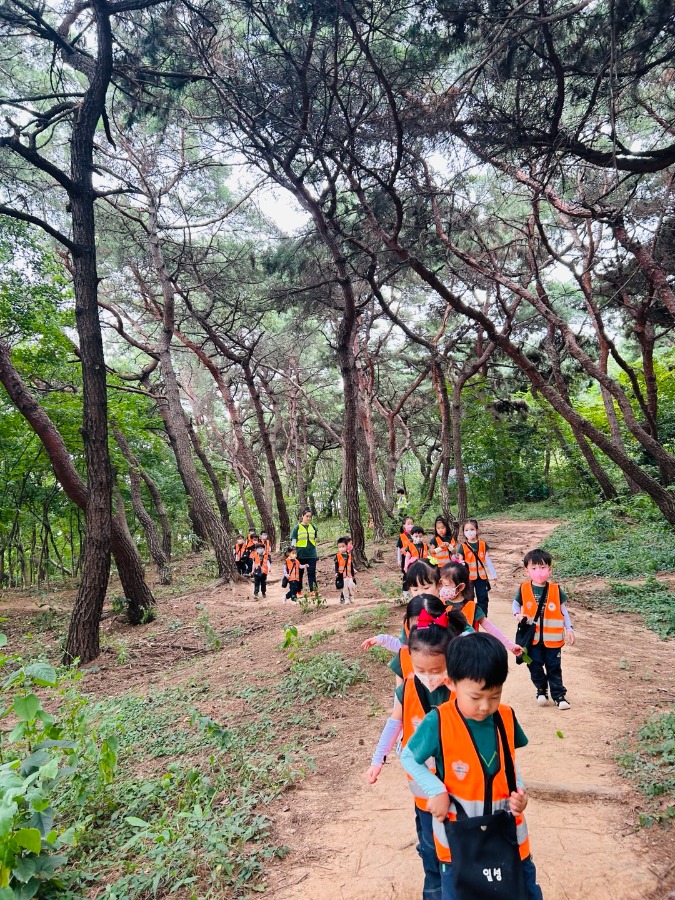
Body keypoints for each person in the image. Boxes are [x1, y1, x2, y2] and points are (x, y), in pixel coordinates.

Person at [401, 633, 543, 900]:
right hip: (459, 844)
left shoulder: (506, 717)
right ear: (451, 683)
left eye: (495, 695)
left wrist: (519, 792)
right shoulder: (439, 721)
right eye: (476, 697)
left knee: (524, 892)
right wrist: (436, 790)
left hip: (508, 837)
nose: (485, 706)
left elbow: (510, 762)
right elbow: (409, 757)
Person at [367, 598, 467, 900]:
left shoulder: (462, 689)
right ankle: (434, 892)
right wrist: (378, 759)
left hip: (459, 787)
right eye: (420, 668)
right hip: (424, 791)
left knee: (458, 849)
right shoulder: (408, 687)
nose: (429, 676)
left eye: (437, 669)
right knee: (428, 847)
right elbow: (395, 722)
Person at [513, 548, 575, 710]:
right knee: (534, 665)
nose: (538, 571)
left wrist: (569, 629)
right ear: (527, 570)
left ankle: (559, 696)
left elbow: (563, 611)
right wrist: (517, 615)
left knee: (554, 667)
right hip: (532, 639)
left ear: (549, 569)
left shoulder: (555, 589)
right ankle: (541, 690)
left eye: (542, 567)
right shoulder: (524, 588)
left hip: (553, 640)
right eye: (534, 568)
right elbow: (515, 604)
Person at [440, 561, 523, 657]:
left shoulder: (472, 607)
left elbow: (491, 629)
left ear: (461, 587)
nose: (443, 589)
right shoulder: (439, 604)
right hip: (445, 654)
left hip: (468, 655)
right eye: (442, 584)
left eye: (446, 585)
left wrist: (511, 646)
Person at [361, 562, 440, 661]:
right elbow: (405, 647)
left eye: (426, 588)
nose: (420, 593)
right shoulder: (411, 618)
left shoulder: (450, 614)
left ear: (439, 585)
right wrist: (383, 640)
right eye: (415, 589)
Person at [456, 519, 497, 616]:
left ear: (477, 530)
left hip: (481, 577)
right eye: (466, 530)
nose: (469, 532)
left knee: (483, 597)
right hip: (468, 578)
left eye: (472, 529)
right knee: (468, 598)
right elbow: (460, 563)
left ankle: (483, 616)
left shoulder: (482, 544)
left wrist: (494, 575)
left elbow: (488, 561)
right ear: (463, 533)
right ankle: (468, 616)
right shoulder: (463, 547)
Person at [290, 508, 318, 593]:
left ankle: (313, 591)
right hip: (300, 555)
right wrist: (293, 555)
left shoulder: (313, 527)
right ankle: (298, 591)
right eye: (307, 516)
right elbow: (293, 542)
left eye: (310, 516)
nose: (308, 518)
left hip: (312, 554)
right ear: (302, 516)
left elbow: (314, 541)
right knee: (300, 574)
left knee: (312, 573)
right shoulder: (297, 528)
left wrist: (316, 554)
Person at [335, 535, 356, 604]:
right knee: (344, 587)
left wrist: (353, 574)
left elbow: (351, 565)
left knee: (351, 585)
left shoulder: (349, 555)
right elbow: (336, 565)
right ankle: (346, 599)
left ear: (346, 546)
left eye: (343, 546)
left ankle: (351, 596)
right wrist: (336, 572)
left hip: (349, 574)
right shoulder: (337, 556)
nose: (341, 548)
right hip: (342, 575)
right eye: (339, 547)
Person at [397, 515, 415, 596]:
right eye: (408, 524)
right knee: (406, 574)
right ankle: (405, 591)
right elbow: (399, 548)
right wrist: (399, 560)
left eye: (411, 523)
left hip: (415, 558)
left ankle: (415, 591)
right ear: (404, 525)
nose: (410, 525)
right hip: (405, 558)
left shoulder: (415, 534)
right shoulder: (402, 536)